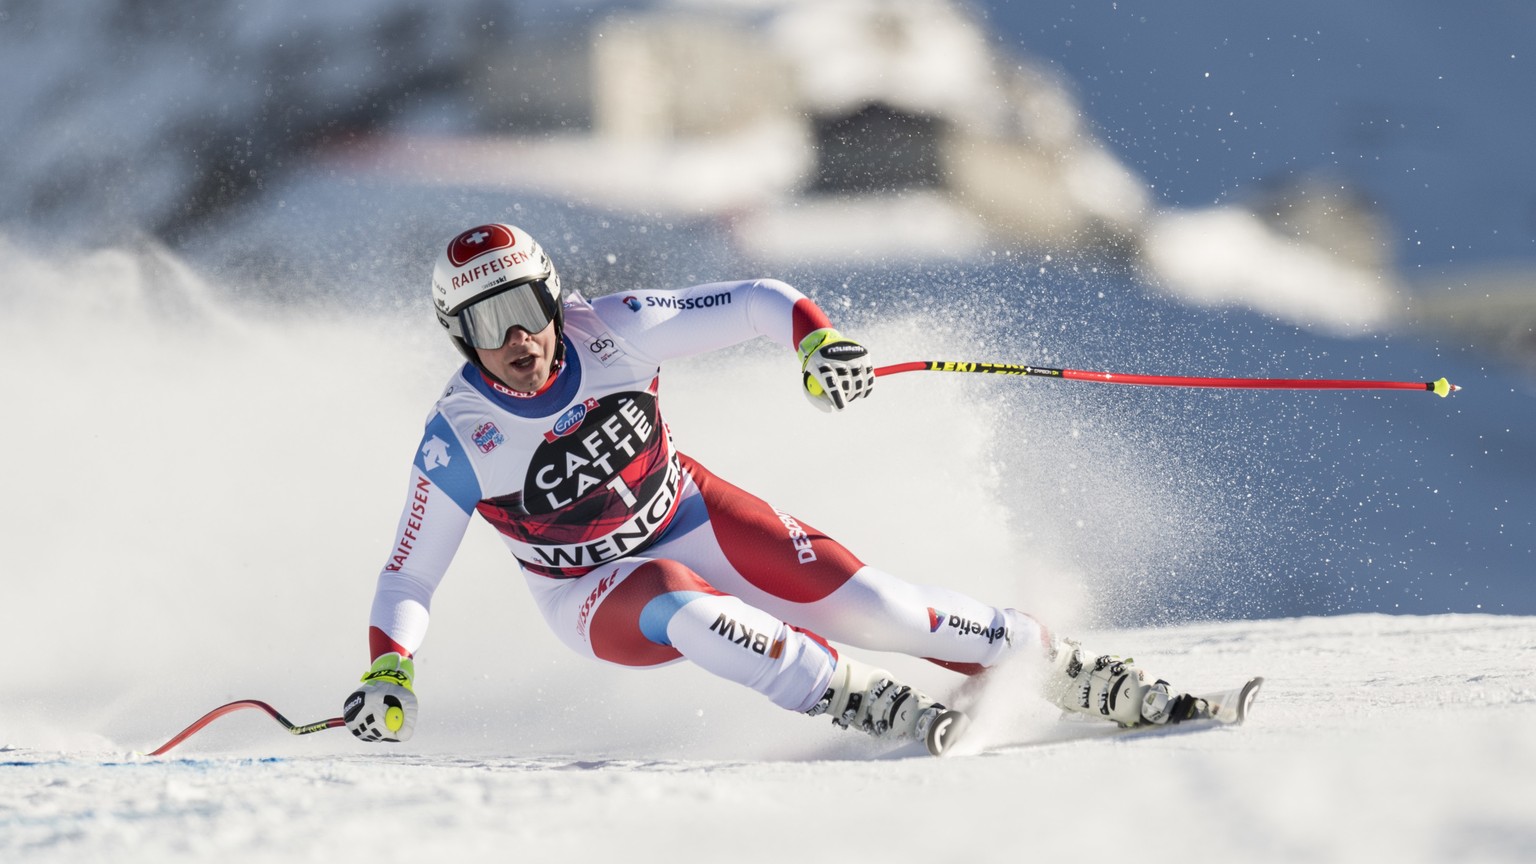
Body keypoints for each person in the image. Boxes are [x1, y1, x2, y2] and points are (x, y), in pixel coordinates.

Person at [342, 223, 1204, 756]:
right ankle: (849, 695)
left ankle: (1054, 666)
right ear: (460, 339)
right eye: (489, 325)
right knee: (679, 602)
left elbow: (761, 300)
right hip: (590, 591)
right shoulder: (458, 437)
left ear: (555, 296)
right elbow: (409, 575)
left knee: (885, 611)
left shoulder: (614, 329)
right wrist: (391, 670)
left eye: (527, 306)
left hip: (688, 511)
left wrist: (817, 346)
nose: (519, 337)